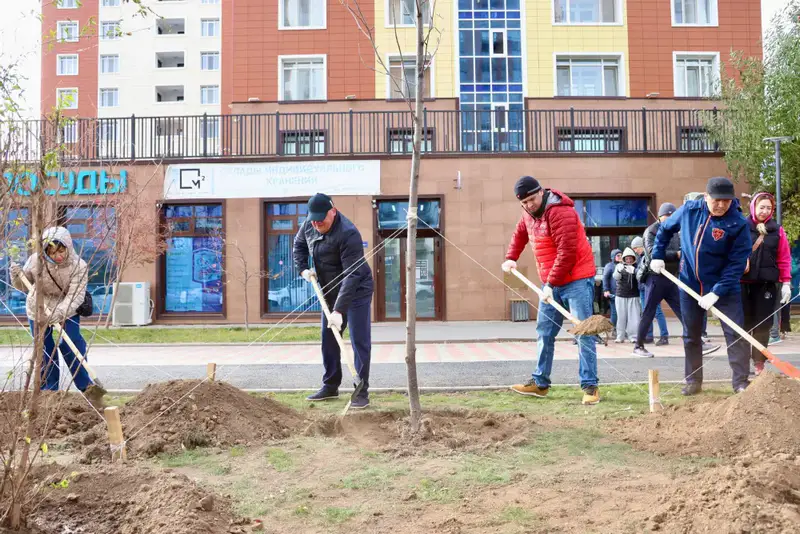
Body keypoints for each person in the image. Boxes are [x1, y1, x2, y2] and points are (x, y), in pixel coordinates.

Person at [502, 176, 600, 405]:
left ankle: (590, 387)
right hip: (551, 282)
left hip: (576, 278)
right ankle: (540, 383)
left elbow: (567, 253)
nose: (529, 205)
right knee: (544, 332)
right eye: (524, 202)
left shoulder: (560, 212)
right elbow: (520, 234)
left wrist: (550, 285)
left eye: (532, 199)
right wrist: (511, 257)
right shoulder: (528, 214)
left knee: (583, 331)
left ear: (541, 192)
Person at [651, 177, 752, 395]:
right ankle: (693, 381)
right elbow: (664, 229)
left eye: (726, 201)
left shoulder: (738, 223)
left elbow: (737, 264)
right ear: (706, 197)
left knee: (735, 333)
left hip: (724, 287)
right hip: (689, 283)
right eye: (717, 200)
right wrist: (657, 255)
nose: (721, 205)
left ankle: (741, 382)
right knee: (691, 335)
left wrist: (717, 292)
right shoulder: (689, 210)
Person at [294, 193, 374, 408]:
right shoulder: (310, 225)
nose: (316, 224)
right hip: (329, 289)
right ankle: (330, 386)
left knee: (359, 339)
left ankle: (361, 391)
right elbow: (299, 246)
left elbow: (352, 274)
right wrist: (303, 269)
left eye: (321, 219)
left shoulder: (348, 233)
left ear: (333, 212)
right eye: (313, 220)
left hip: (357, 290)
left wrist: (339, 311)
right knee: (328, 338)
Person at [9, 227, 104, 404]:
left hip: (67, 308)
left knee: (72, 344)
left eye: (61, 251)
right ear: (45, 251)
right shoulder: (35, 261)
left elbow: (75, 296)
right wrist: (16, 277)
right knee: (44, 348)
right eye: (52, 252)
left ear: (68, 246)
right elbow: (23, 287)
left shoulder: (79, 266)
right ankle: (50, 391)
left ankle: (86, 386)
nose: (57, 256)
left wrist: (59, 312)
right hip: (39, 308)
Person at [740, 192, 792, 376]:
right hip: (742, 283)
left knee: (763, 324)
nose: (764, 211)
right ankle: (741, 364)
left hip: (766, 284)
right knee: (743, 324)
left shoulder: (777, 230)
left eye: (768, 208)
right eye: (761, 207)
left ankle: (759, 362)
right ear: (753, 207)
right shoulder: (741, 226)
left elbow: (784, 258)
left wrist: (786, 282)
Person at [631, 236, 668, 344]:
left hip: (651, 288)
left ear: (641, 246)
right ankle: (649, 336)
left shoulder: (649, 255)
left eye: (636, 248)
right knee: (646, 313)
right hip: (643, 288)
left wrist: (636, 271)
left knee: (657, 312)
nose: (635, 251)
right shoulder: (640, 258)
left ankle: (664, 336)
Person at [612, 248, 641, 343]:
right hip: (621, 295)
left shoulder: (637, 267)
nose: (628, 260)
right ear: (624, 259)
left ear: (633, 259)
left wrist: (635, 271)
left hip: (634, 295)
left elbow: (640, 278)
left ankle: (633, 336)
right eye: (627, 258)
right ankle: (620, 336)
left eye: (630, 258)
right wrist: (619, 271)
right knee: (621, 317)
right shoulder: (619, 266)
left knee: (634, 318)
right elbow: (616, 277)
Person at [602, 248, 621, 336]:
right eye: (618, 255)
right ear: (613, 257)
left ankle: (620, 329)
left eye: (621, 255)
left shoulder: (623, 265)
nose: (620, 257)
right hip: (613, 293)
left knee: (621, 313)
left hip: (622, 293)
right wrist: (606, 290)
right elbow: (605, 278)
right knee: (614, 312)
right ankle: (614, 329)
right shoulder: (609, 266)